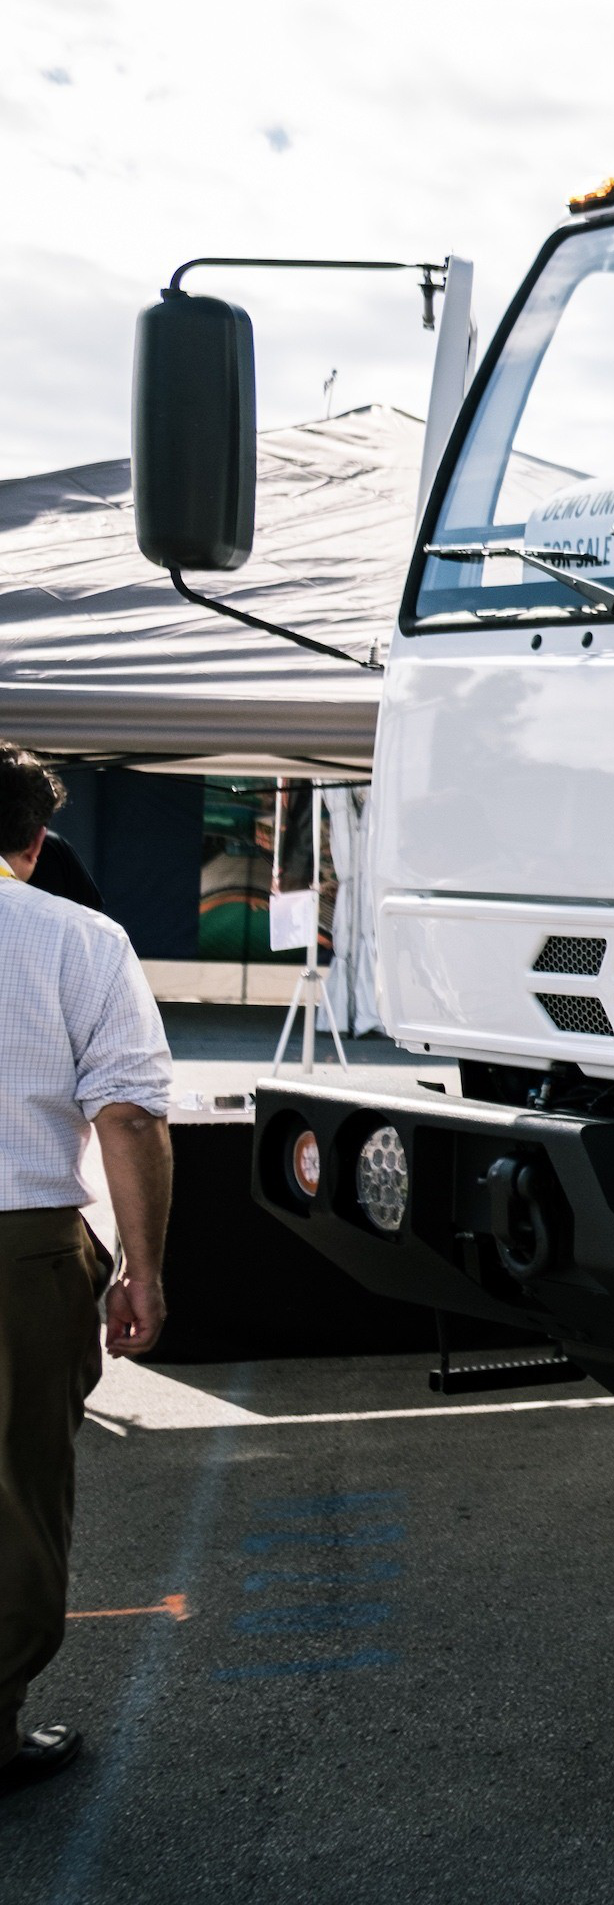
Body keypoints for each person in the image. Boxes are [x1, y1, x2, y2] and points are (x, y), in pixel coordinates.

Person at [0, 744, 170, 1797]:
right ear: (32, 842)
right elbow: (130, 1113)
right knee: (15, 1487)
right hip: (21, 1247)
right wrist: (142, 1269)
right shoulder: (77, 937)